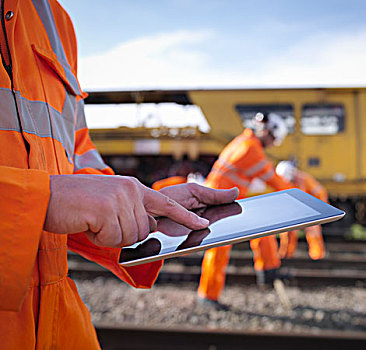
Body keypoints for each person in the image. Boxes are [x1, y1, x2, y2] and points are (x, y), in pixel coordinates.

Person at [0, 1, 238, 348]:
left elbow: (73, 158)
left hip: (56, 325)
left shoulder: (54, 18)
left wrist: (137, 205)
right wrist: (38, 200)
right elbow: (50, 194)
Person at [197, 112, 293, 309]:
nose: (273, 144)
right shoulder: (252, 149)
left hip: (222, 199)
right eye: (274, 139)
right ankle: (208, 296)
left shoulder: (243, 141)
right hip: (220, 203)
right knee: (218, 249)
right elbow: (275, 181)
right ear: (267, 131)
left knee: (260, 226)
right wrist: (303, 197)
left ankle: (268, 268)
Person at [275, 161, 328, 260]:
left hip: (310, 212)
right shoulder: (283, 181)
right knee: (287, 233)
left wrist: (320, 210)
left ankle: (317, 256)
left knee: (313, 232)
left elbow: (321, 193)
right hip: (294, 212)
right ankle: (286, 255)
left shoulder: (305, 179)